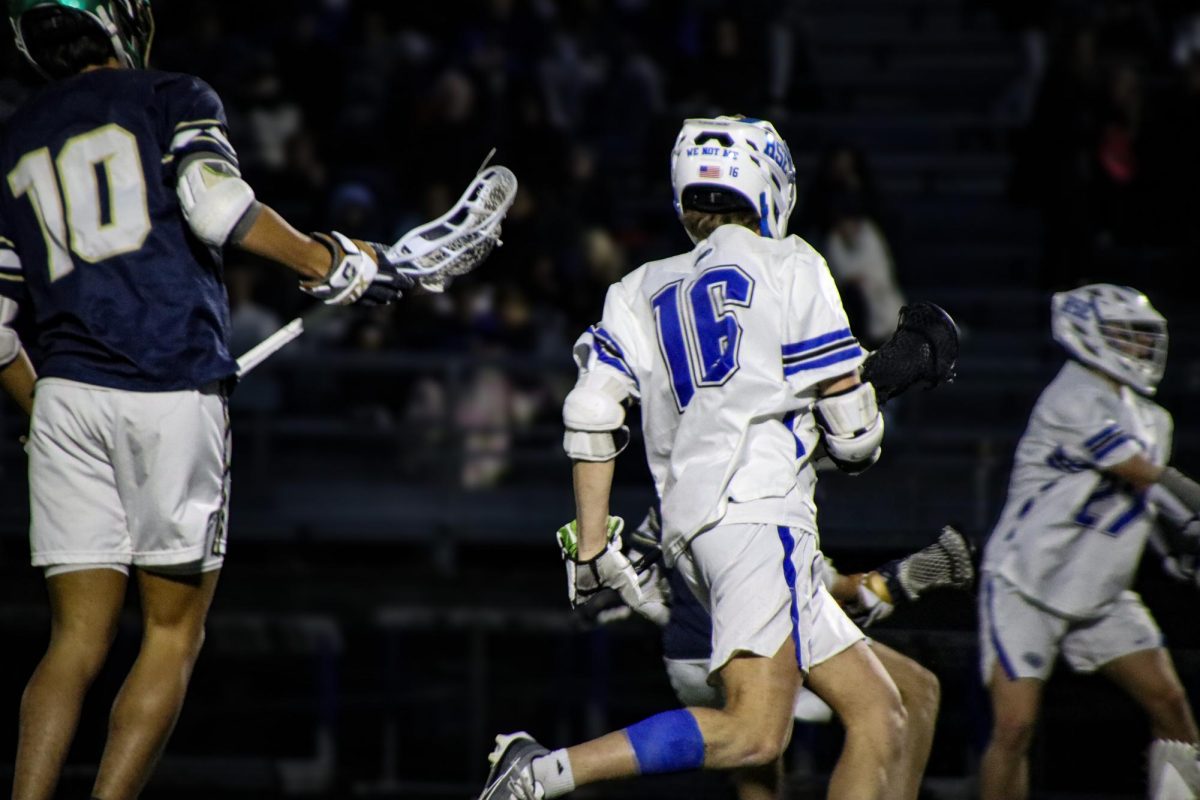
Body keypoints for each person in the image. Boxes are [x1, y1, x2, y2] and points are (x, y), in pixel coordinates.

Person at [0, 2, 408, 798]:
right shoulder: (169, 93)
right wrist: (327, 260)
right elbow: (217, 207)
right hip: (167, 384)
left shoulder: (11, 138)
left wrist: (39, 410)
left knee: (72, 645)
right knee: (171, 634)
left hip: (64, 398)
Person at [479, 115, 907, 800]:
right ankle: (545, 772)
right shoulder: (794, 263)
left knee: (885, 712)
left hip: (693, 534)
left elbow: (590, 416)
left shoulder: (636, 287)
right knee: (757, 735)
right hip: (759, 521)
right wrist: (878, 393)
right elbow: (854, 444)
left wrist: (592, 550)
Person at [567, 512, 973, 800]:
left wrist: (884, 586)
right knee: (890, 702)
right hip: (743, 636)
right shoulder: (758, 450)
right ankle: (550, 771)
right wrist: (888, 585)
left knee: (760, 767)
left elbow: (640, 561)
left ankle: (550, 770)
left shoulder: (696, 454)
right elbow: (809, 586)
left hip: (706, 642)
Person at [978, 284, 1200, 799]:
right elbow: (1141, 471)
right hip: (1026, 582)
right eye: (1127, 334)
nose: (1140, 347)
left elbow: (1147, 502)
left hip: (1100, 590)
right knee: (1014, 728)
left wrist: (1177, 548)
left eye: (1143, 337)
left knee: (1170, 705)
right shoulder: (1072, 394)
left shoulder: (1153, 418)